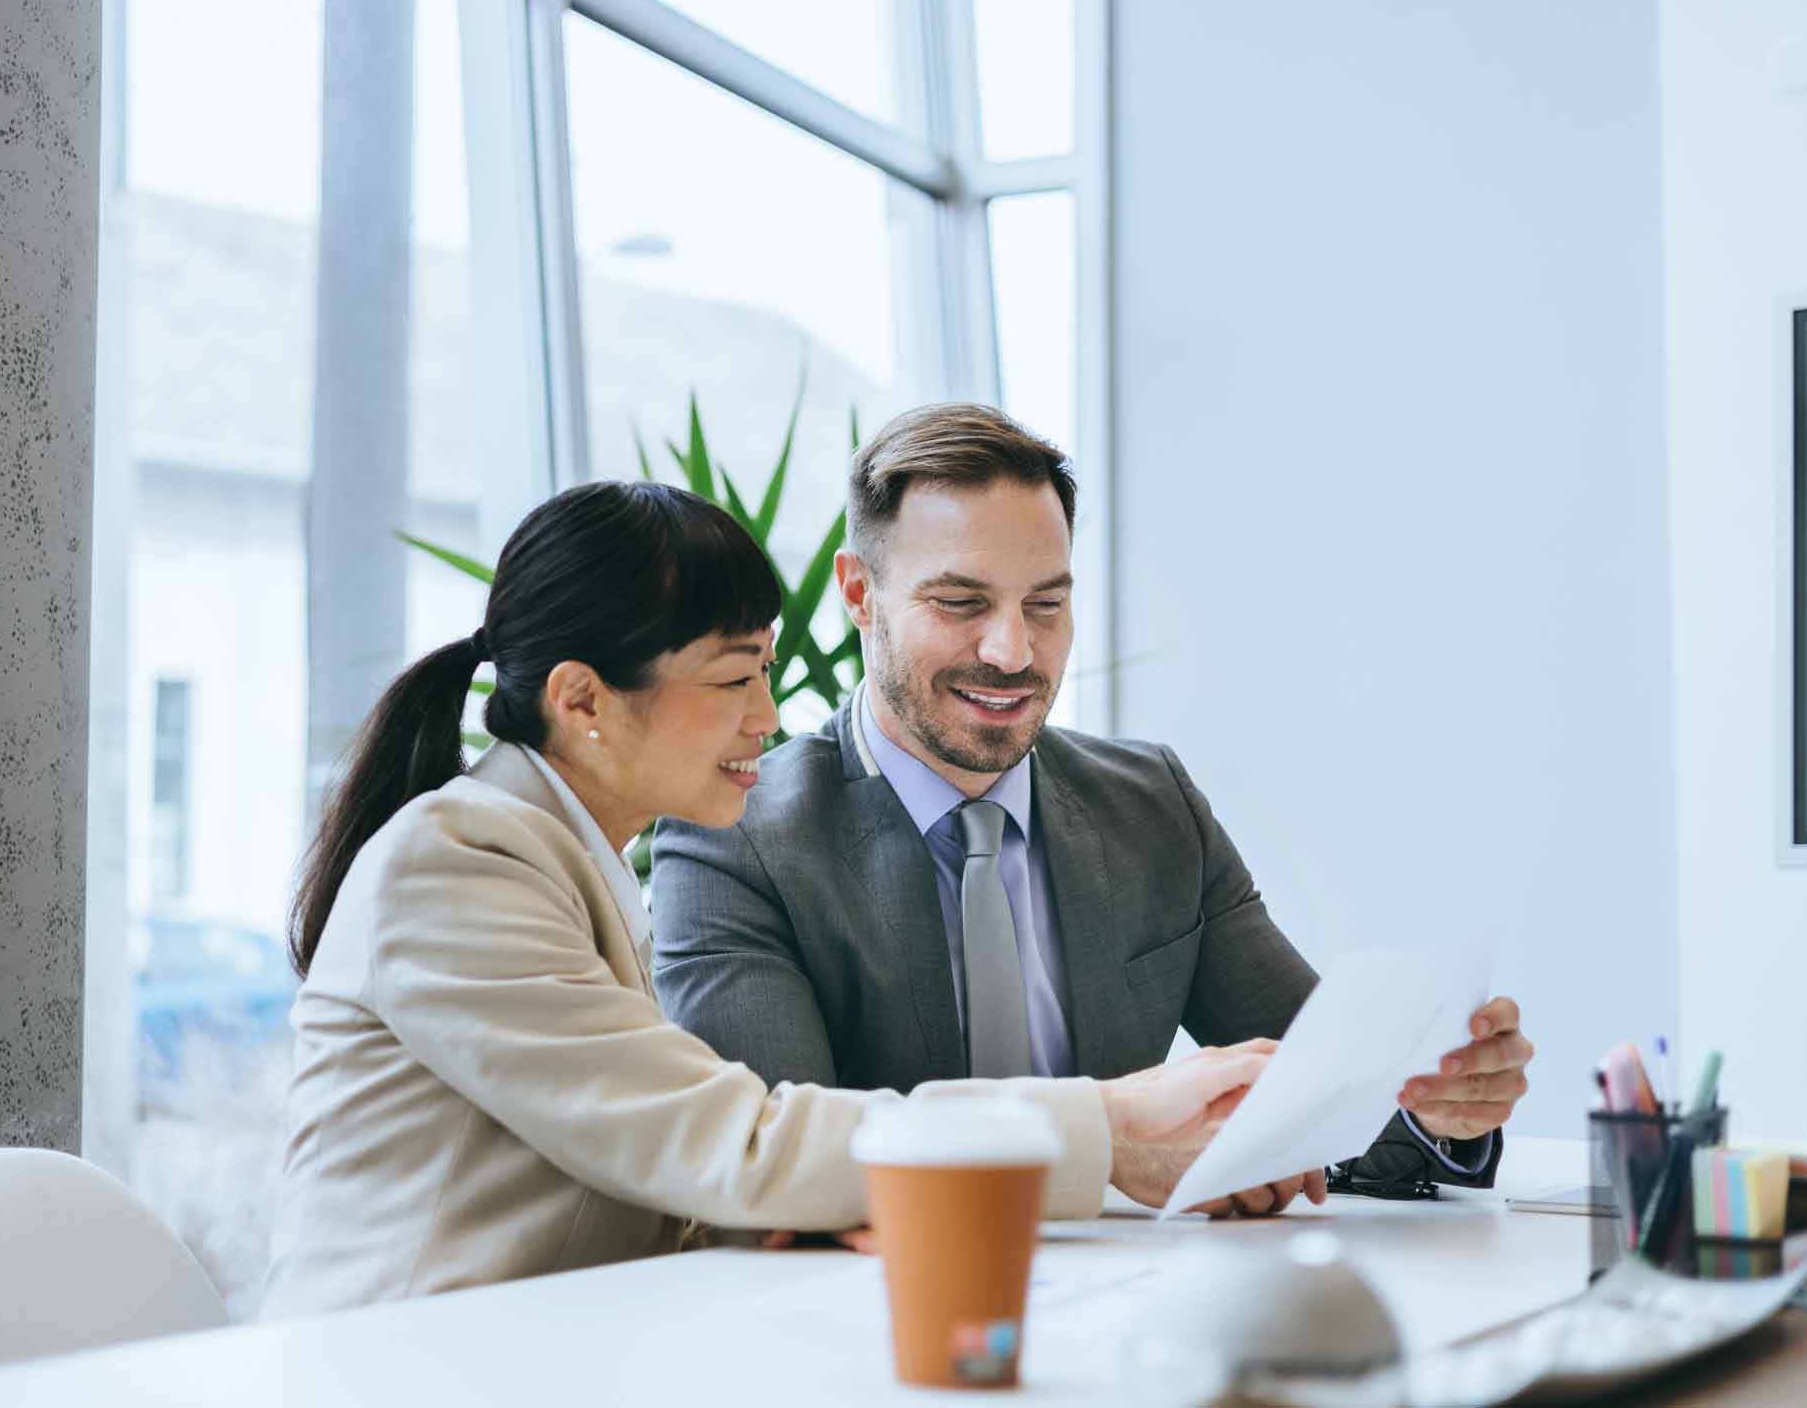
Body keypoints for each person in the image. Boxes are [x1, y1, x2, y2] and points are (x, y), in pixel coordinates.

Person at [259, 480, 1282, 1319]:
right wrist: (1106, 1124)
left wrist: (817, 1205)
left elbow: (695, 1166)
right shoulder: (459, 864)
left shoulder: (560, 856)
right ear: (582, 702)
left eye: (767, 672)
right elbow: (728, 1141)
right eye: (731, 679)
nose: (768, 715)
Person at [649, 405, 1535, 1217]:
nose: (1012, 651)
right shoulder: (735, 840)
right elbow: (774, 1169)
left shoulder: (1150, 806)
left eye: (1047, 604)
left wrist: (1438, 1102)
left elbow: (1326, 1098)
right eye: (959, 603)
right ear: (858, 595)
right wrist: (1103, 1143)